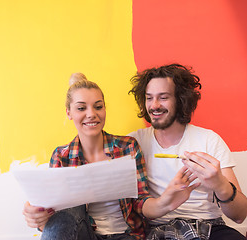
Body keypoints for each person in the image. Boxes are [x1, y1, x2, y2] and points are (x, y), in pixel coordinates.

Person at [22, 73, 200, 240]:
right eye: (81, 108)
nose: (91, 114)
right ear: (69, 112)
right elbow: (59, 223)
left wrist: (166, 201)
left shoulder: (127, 147)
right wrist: (38, 216)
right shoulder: (62, 156)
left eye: (98, 106)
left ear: (105, 109)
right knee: (67, 206)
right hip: (83, 234)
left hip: (127, 234)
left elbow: (140, 202)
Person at [128, 63, 247, 240]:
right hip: (160, 230)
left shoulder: (209, 140)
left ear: (181, 99)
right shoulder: (133, 143)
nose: (154, 105)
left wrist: (220, 184)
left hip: (211, 227)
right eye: (149, 98)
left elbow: (240, 215)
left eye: (163, 97)